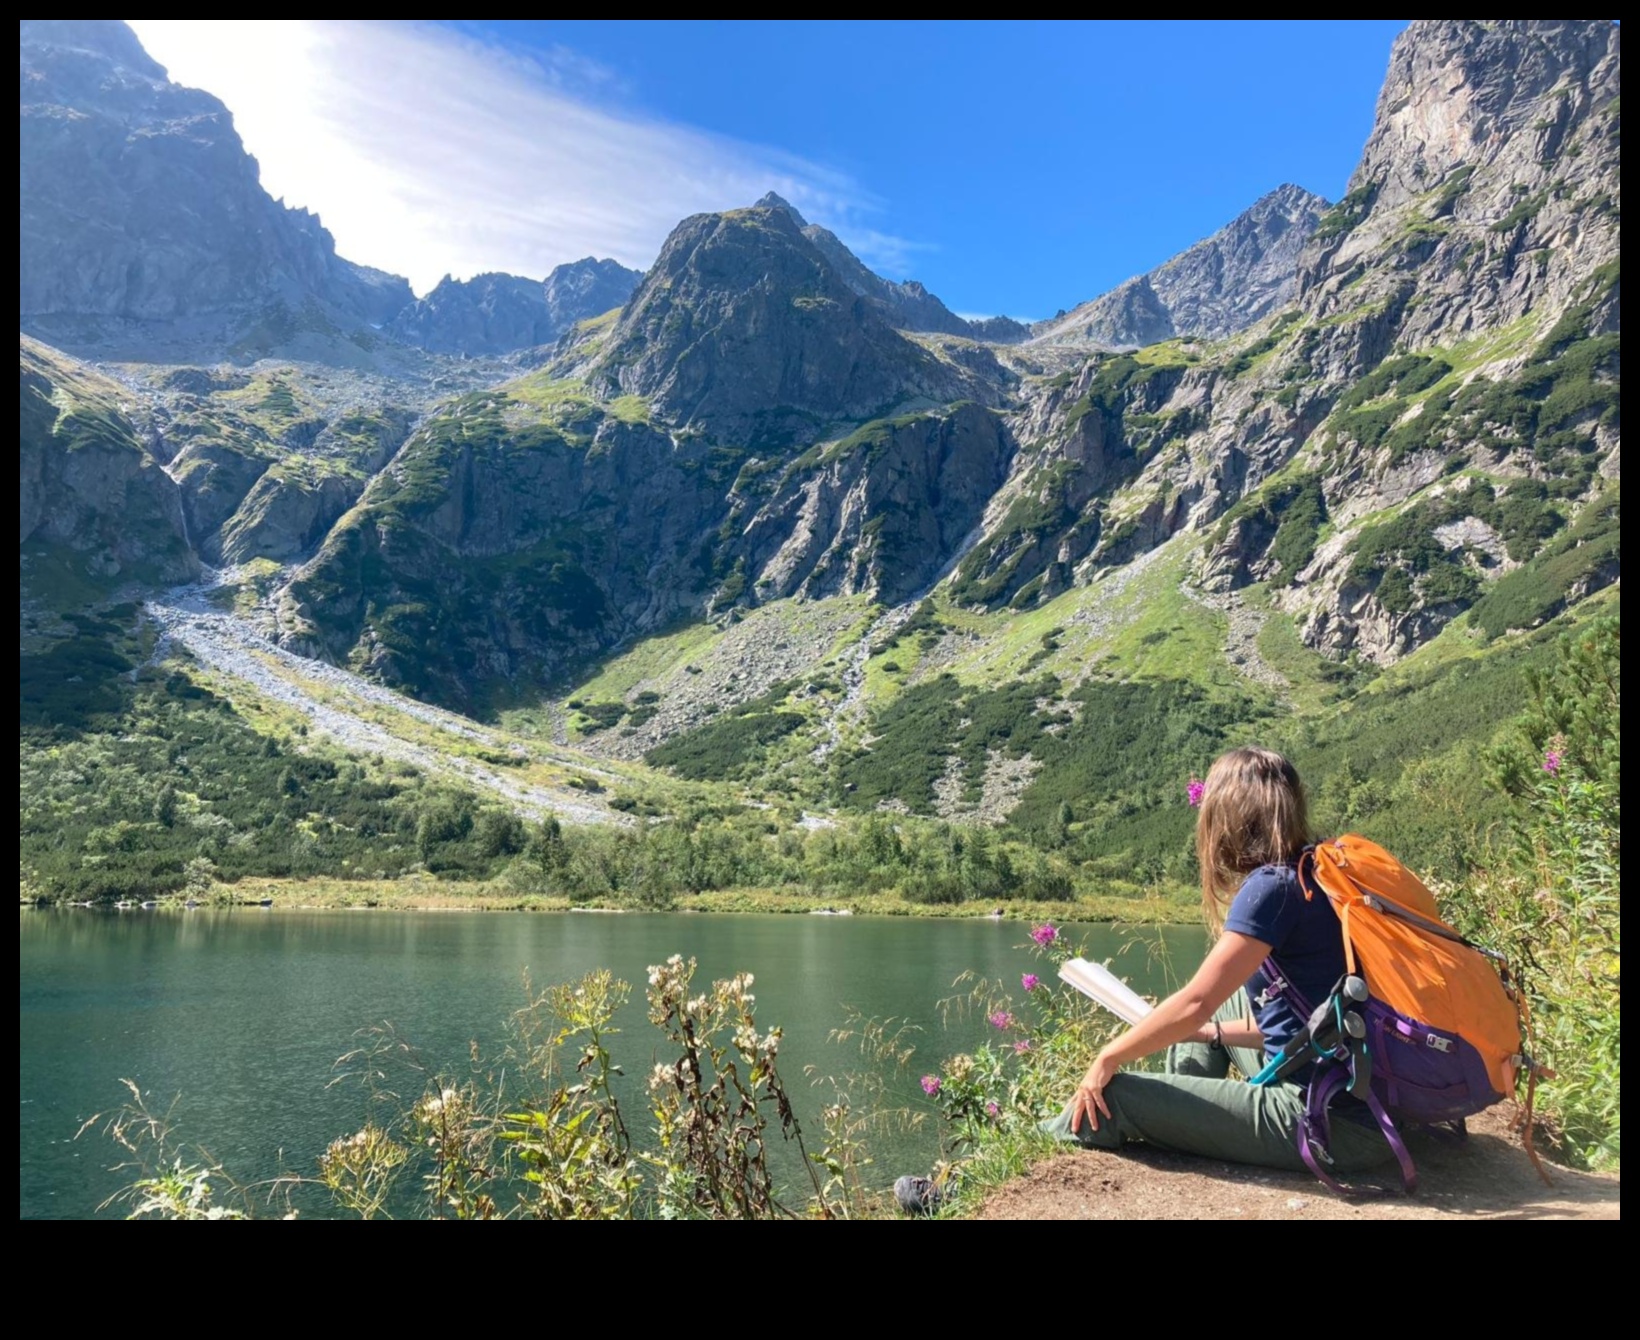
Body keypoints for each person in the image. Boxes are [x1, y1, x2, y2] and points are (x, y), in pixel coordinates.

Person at [1043, 745, 1395, 1175]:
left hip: (1325, 1122)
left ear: (1229, 815)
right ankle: (1191, 1117)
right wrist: (1208, 1034)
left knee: (1114, 1097)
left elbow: (1194, 1004)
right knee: (1210, 1019)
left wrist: (1107, 1057)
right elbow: (1297, 1023)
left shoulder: (1271, 888)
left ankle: (1035, 1142)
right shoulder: (1317, 872)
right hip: (1363, 1100)